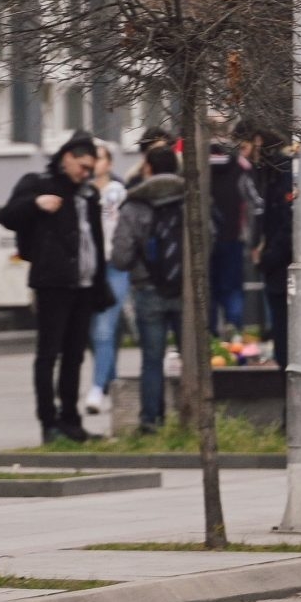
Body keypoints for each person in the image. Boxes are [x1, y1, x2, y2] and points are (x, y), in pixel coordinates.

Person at [0, 132, 109, 443]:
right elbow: (8, 216)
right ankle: (49, 422)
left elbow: (96, 243)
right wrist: (36, 204)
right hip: (52, 284)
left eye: (91, 168)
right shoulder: (39, 183)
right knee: (48, 354)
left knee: (74, 355)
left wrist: (100, 286)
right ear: (67, 158)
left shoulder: (88, 195)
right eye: (82, 166)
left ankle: (71, 420)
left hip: (84, 285)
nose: (86, 173)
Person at [109, 146, 187, 433]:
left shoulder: (134, 206)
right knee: (190, 357)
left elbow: (119, 256)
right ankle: (193, 418)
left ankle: (151, 421)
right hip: (186, 292)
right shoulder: (191, 200)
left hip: (147, 291)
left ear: (148, 169)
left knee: (152, 359)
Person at [84, 142, 131, 419]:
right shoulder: (82, 192)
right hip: (89, 269)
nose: (94, 163)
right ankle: (112, 384)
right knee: (96, 333)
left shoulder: (118, 193)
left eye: (99, 158)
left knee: (104, 329)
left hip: (114, 267)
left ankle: (97, 389)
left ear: (109, 164)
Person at [251, 128, 294, 367]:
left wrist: (268, 256)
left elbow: (285, 223)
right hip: (278, 264)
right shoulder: (275, 174)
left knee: (284, 333)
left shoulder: (280, 174)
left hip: (281, 267)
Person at [206, 135, 253, 337]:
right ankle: (234, 335)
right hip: (233, 237)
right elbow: (253, 201)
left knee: (209, 290)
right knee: (232, 289)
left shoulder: (197, 163)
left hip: (206, 238)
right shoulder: (240, 167)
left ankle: (210, 338)